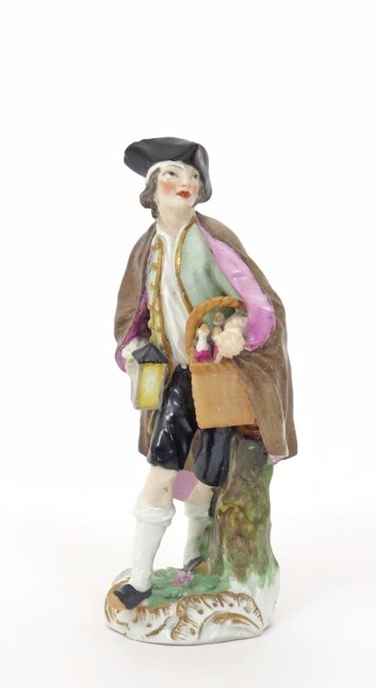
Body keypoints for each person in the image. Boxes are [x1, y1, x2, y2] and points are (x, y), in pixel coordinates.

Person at [113, 137, 296, 610]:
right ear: (152, 187)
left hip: (220, 378)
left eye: (194, 177)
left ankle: (196, 563)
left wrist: (236, 329)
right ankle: (140, 579)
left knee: (208, 481)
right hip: (177, 379)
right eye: (173, 174)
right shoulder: (146, 249)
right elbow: (132, 318)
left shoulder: (212, 239)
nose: (186, 184)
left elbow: (260, 305)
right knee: (160, 472)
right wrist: (135, 351)